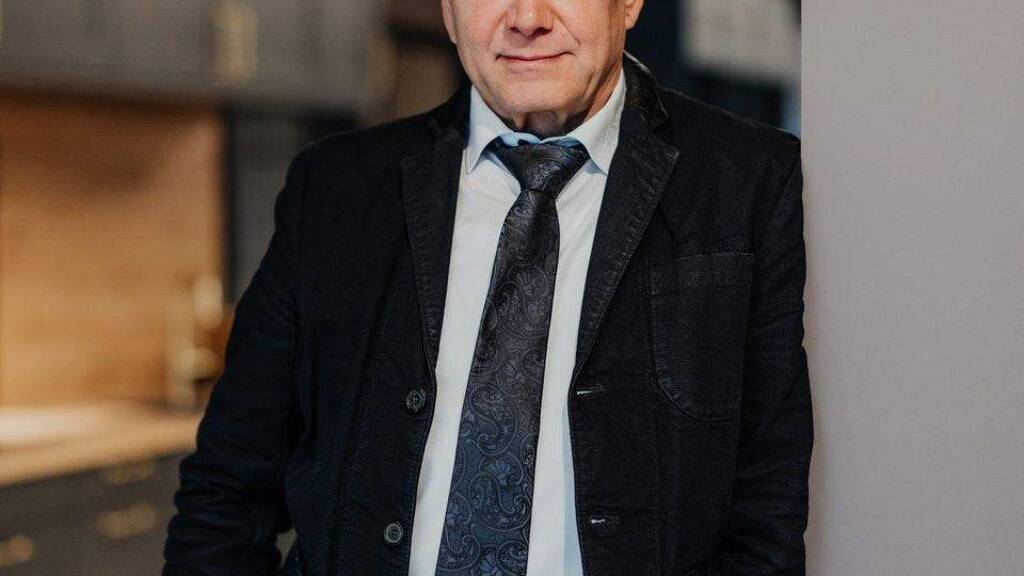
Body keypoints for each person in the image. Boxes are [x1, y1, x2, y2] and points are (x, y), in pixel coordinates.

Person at [162, 0, 813, 574]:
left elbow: (767, 508)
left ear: (629, 3)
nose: (528, 19)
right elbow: (230, 486)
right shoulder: (334, 189)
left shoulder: (746, 182)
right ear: (448, 11)